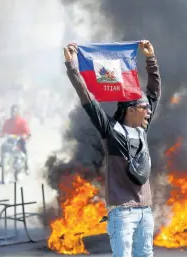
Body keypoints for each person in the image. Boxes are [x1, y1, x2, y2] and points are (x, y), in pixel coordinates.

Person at [63, 40, 161, 257]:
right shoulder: (112, 130)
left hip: (145, 212)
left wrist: (150, 59)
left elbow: (154, 94)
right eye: (144, 108)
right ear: (130, 109)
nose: (148, 111)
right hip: (122, 213)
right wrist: (71, 66)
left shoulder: (142, 130)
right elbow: (87, 98)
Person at [0, 104, 31, 170]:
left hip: (19, 140)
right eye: (13, 111)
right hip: (10, 140)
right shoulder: (8, 121)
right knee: (3, 146)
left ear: (18, 112)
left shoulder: (22, 121)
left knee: (24, 150)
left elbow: (27, 130)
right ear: (11, 112)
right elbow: (3, 130)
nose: (14, 113)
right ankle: (2, 161)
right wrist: (1, 134)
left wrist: (27, 135)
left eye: (15, 112)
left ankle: (26, 165)